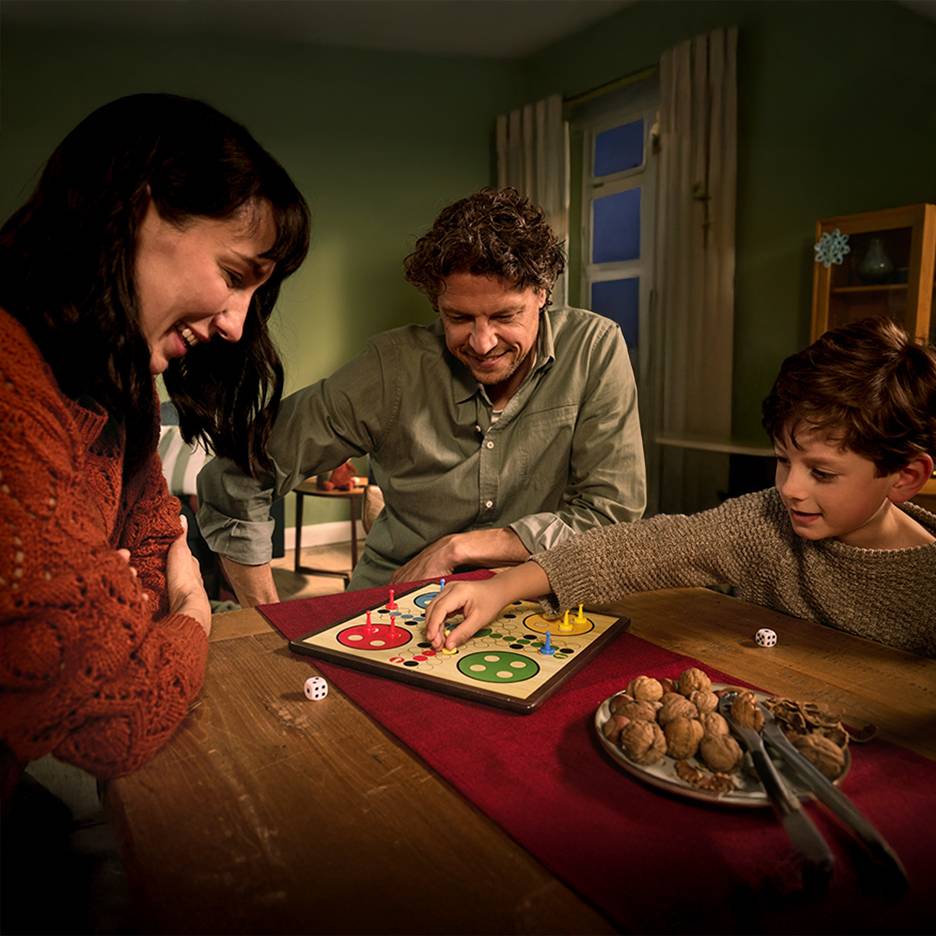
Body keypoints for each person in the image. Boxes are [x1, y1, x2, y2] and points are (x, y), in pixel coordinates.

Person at [0, 93, 310, 808]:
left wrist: (111, 601)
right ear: (137, 210)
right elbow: (118, 717)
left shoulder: (109, 391)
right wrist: (194, 613)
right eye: (234, 276)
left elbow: (152, 538)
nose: (237, 325)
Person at [198, 187, 646, 602]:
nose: (482, 342)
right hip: (395, 597)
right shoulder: (390, 369)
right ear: (437, 304)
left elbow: (611, 516)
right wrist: (270, 616)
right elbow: (237, 476)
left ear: (543, 294)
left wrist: (459, 548)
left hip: (536, 600)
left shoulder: (594, 348)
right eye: (459, 318)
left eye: (505, 316)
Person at [425, 317, 936, 658]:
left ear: (905, 477)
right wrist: (501, 587)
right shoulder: (763, 524)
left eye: (821, 473)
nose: (790, 488)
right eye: (783, 461)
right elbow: (640, 549)